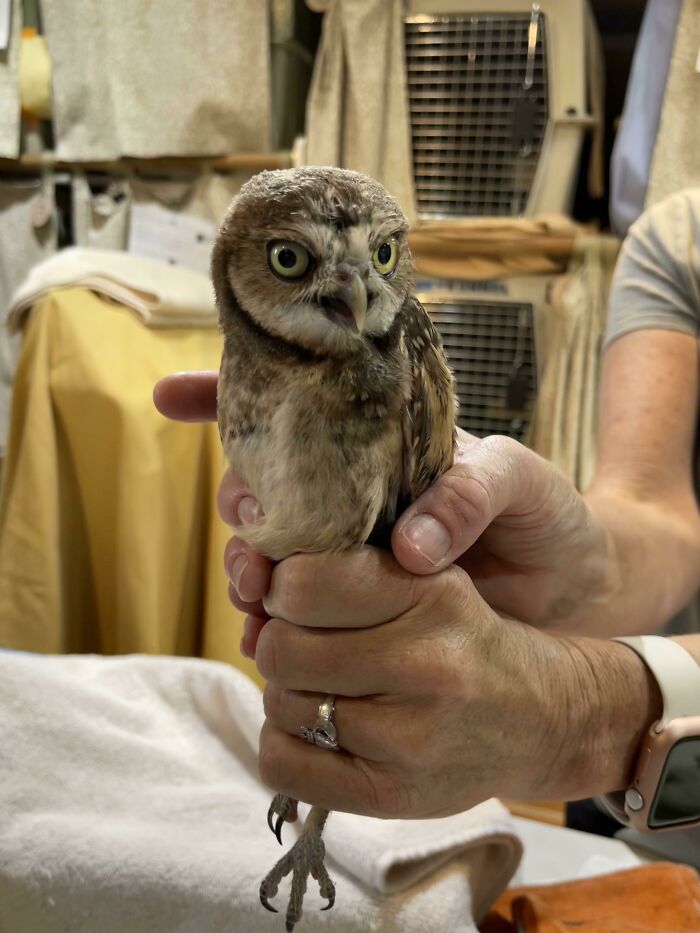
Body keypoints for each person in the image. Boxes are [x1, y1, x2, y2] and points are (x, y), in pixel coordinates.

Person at [153, 188, 700, 859]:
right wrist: (572, 577)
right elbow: (661, 508)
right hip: (659, 817)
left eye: (383, 255)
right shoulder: (679, 238)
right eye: (291, 259)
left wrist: (576, 713)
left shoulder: (400, 354)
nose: (358, 292)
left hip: (662, 764)